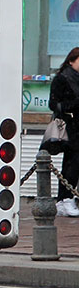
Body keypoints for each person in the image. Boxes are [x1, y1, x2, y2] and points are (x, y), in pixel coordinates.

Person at [49, 47, 79, 216]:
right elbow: (54, 104)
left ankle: (68, 197)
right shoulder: (62, 79)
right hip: (69, 126)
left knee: (74, 163)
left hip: (77, 125)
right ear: (71, 61)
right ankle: (64, 199)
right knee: (71, 163)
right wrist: (74, 104)